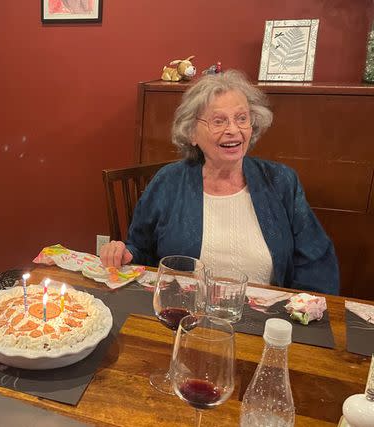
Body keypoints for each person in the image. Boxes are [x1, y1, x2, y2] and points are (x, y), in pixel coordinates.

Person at [100, 70, 339, 295]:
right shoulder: (168, 182)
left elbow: (315, 261)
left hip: (264, 322)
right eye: (218, 121)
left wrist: (299, 319)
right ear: (192, 133)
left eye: (241, 118)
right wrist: (124, 252)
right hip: (185, 314)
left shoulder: (281, 181)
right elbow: (141, 250)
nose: (233, 130)